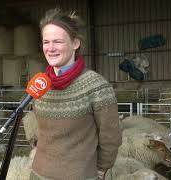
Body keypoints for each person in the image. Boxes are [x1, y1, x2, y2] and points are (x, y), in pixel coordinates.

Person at [30, 8, 122, 180]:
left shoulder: (96, 86)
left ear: (75, 43)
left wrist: (101, 169)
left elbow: (111, 136)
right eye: (46, 42)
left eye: (57, 41)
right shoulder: (40, 84)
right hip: (38, 174)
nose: (50, 48)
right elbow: (40, 131)